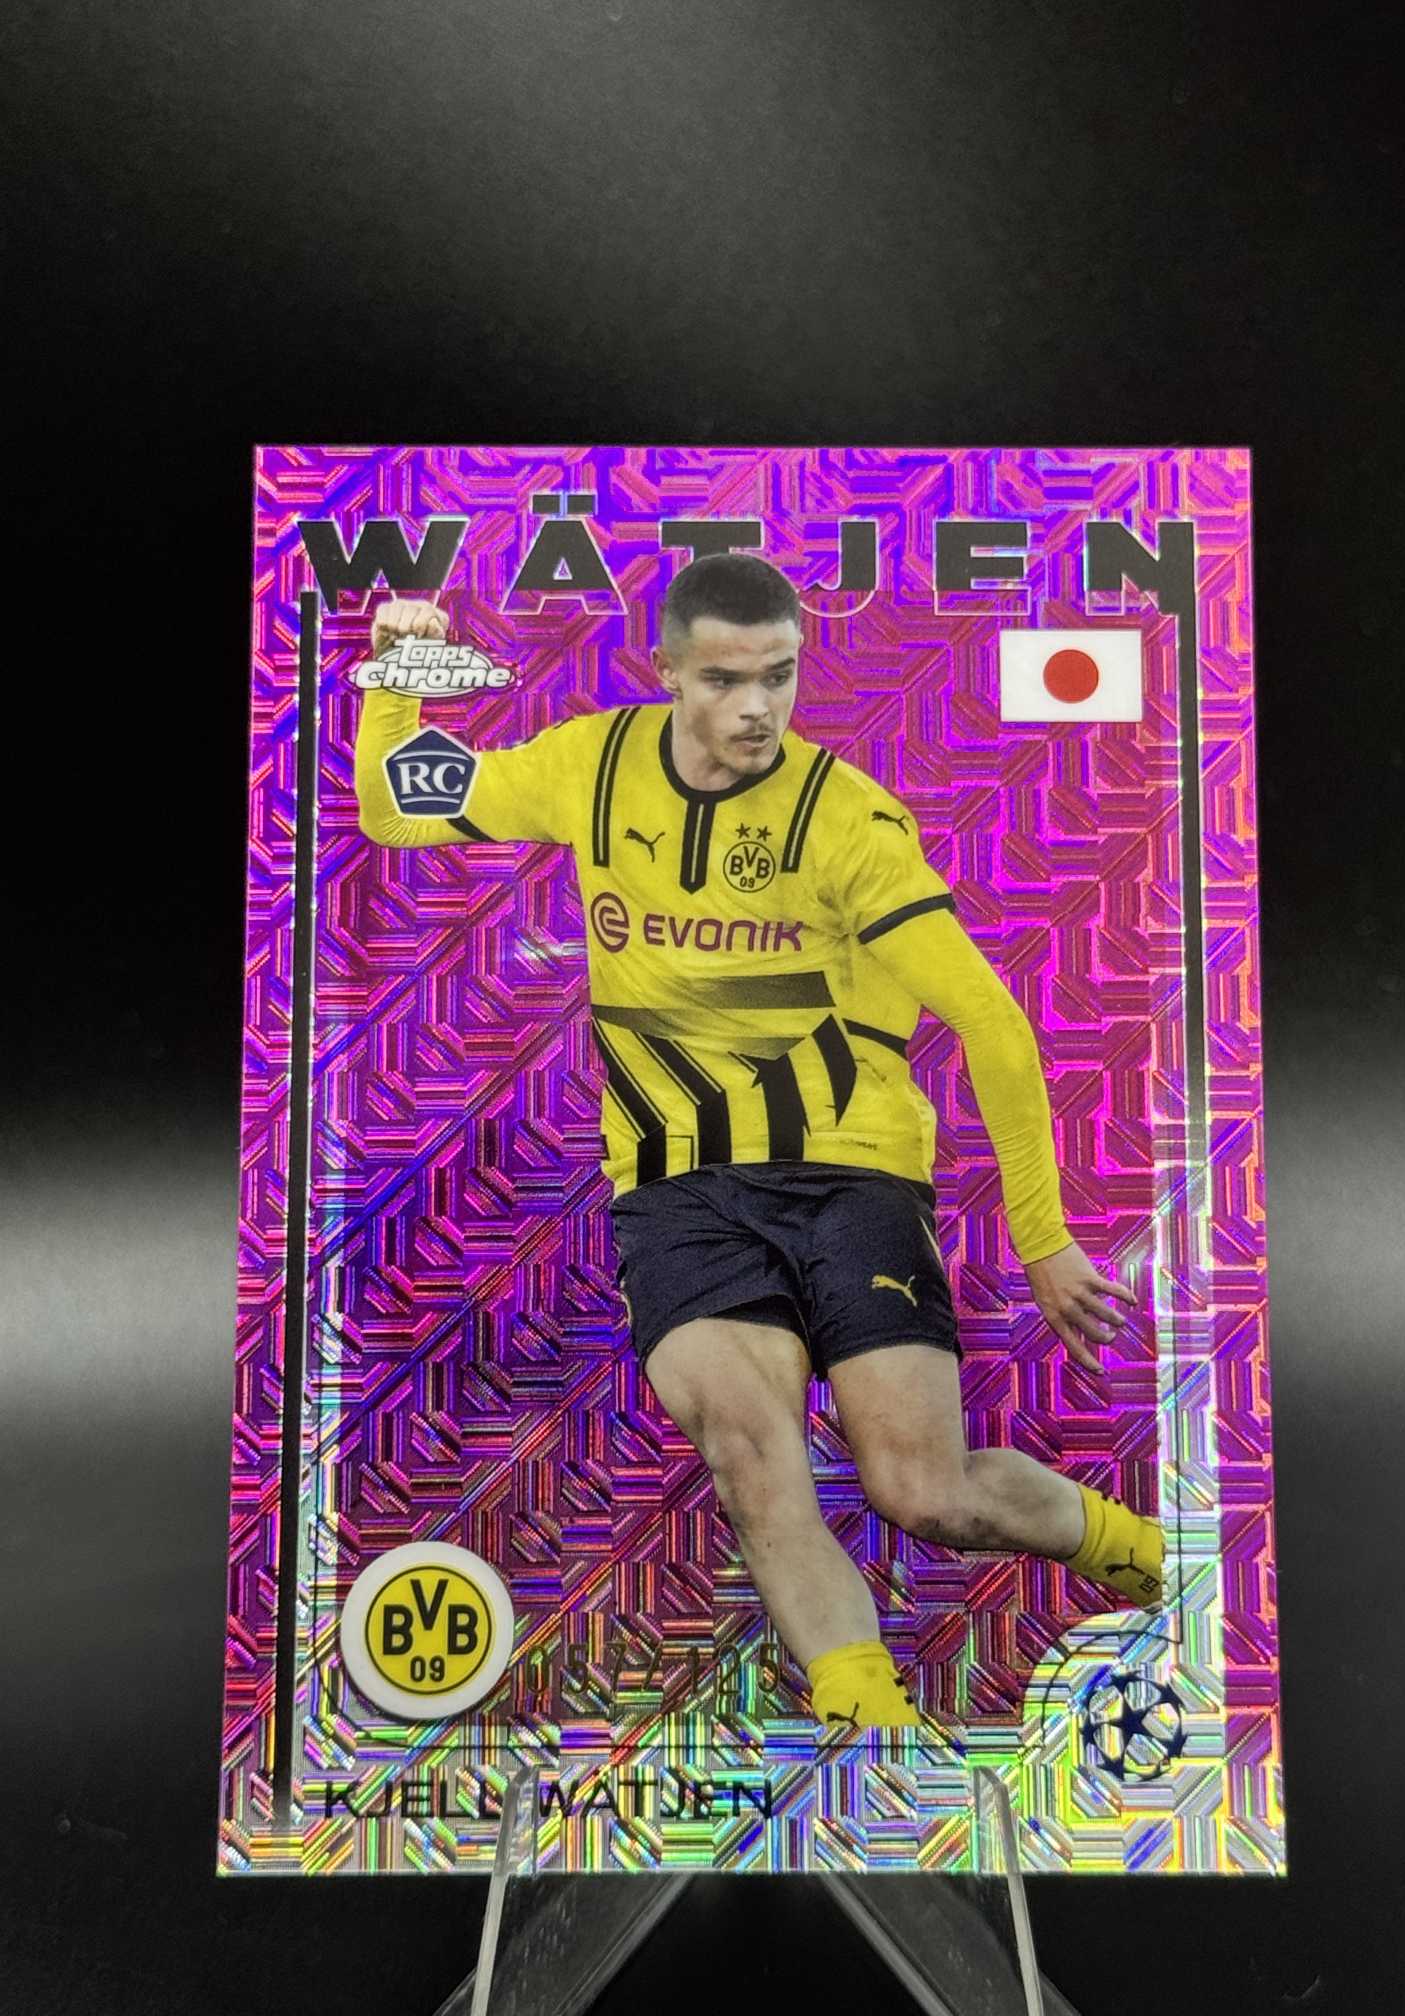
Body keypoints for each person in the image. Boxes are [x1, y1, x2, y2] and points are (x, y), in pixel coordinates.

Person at [354, 552, 1163, 1729]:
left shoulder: (848, 820)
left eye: (779, 676)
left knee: (922, 1492)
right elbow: (397, 807)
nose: (756, 708)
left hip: (851, 1174)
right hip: (680, 1188)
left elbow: (990, 1020)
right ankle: (872, 1731)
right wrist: (394, 674)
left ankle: (1140, 1551)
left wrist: (1042, 1240)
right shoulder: (591, 765)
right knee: (751, 1450)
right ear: (666, 670)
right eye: (724, 679)